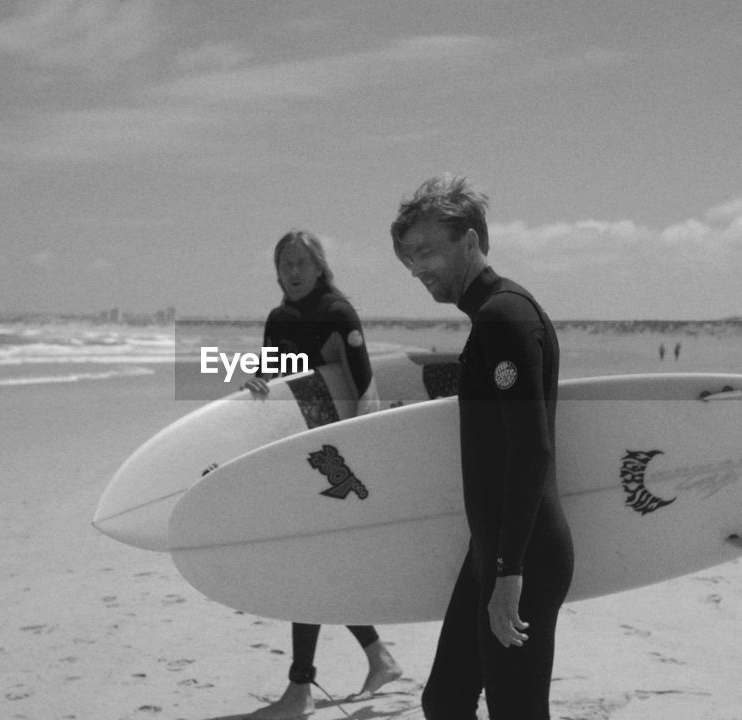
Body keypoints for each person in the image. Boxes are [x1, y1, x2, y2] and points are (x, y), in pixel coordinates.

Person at [390, 175, 574, 719]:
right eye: (408, 259)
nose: (418, 269)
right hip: (494, 551)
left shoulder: (503, 316)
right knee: (445, 698)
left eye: (426, 251)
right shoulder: (494, 316)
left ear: (470, 242)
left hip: (521, 556)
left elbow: (530, 449)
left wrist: (507, 571)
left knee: (516, 712)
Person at [242, 229, 402, 719]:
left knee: (307, 566)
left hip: (333, 457)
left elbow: (364, 387)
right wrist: (254, 379)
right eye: (285, 263)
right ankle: (378, 656)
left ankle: (300, 690)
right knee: (314, 565)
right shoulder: (279, 319)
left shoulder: (337, 312)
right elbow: (275, 377)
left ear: (318, 267)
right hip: (299, 447)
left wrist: (355, 462)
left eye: (301, 263)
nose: (292, 272)